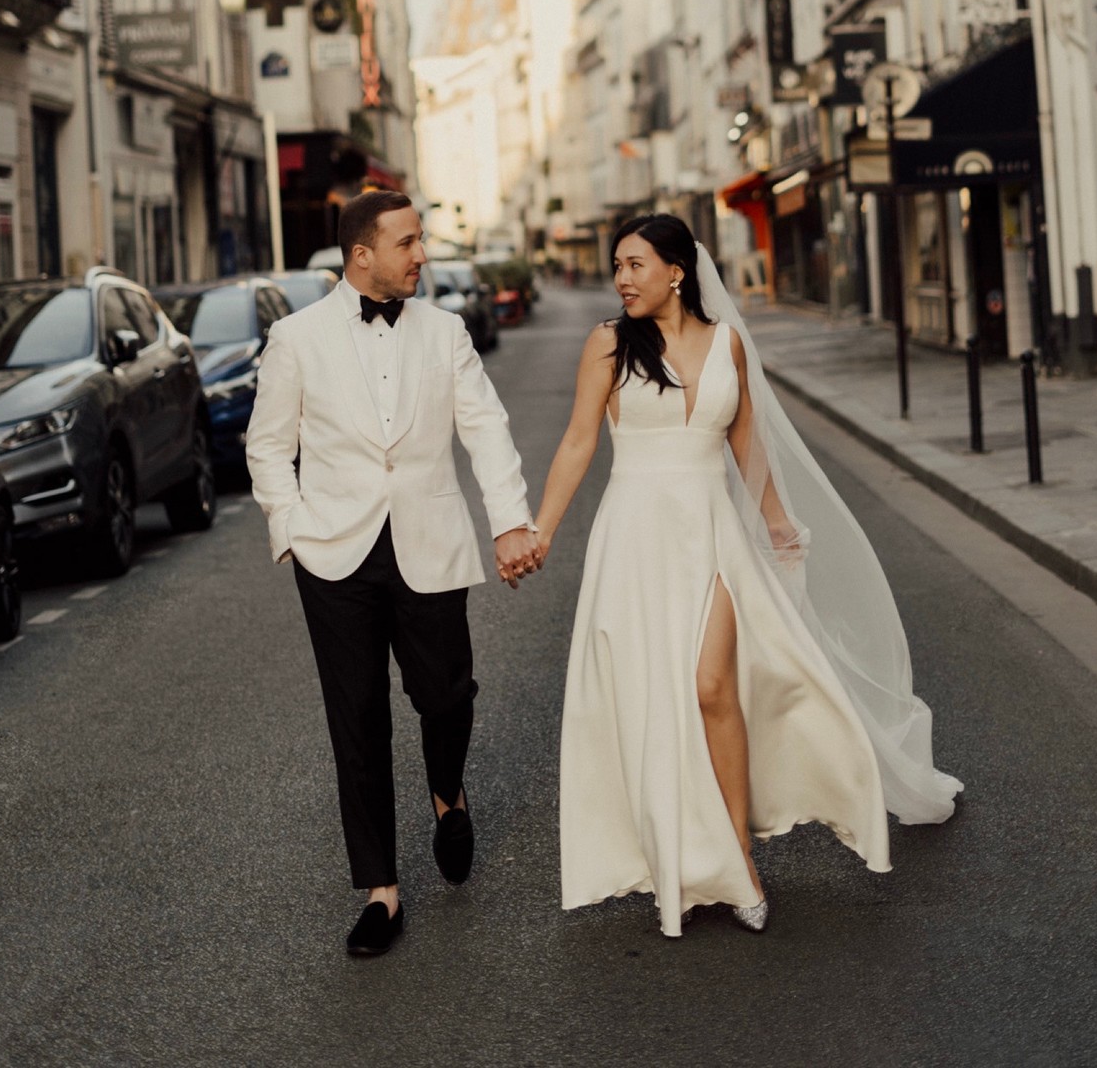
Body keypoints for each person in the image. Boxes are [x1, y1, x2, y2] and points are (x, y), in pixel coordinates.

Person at [533, 213, 961, 938]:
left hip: (714, 533)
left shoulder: (727, 341)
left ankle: (739, 860)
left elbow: (746, 440)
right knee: (653, 702)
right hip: (635, 537)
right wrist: (539, 531)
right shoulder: (608, 343)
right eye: (617, 266)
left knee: (710, 685)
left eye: (636, 264)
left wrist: (774, 521)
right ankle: (682, 855)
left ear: (677, 270)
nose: (622, 278)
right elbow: (579, 441)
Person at [246, 190, 541, 958]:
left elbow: (486, 426)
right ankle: (381, 890)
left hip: (428, 539)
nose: (422, 255)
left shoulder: (445, 332)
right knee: (357, 720)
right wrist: (292, 531)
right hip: (333, 553)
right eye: (408, 242)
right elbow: (267, 446)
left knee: (447, 694)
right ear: (361, 254)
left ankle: (449, 791)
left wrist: (510, 518)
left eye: (422, 241)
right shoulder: (295, 338)